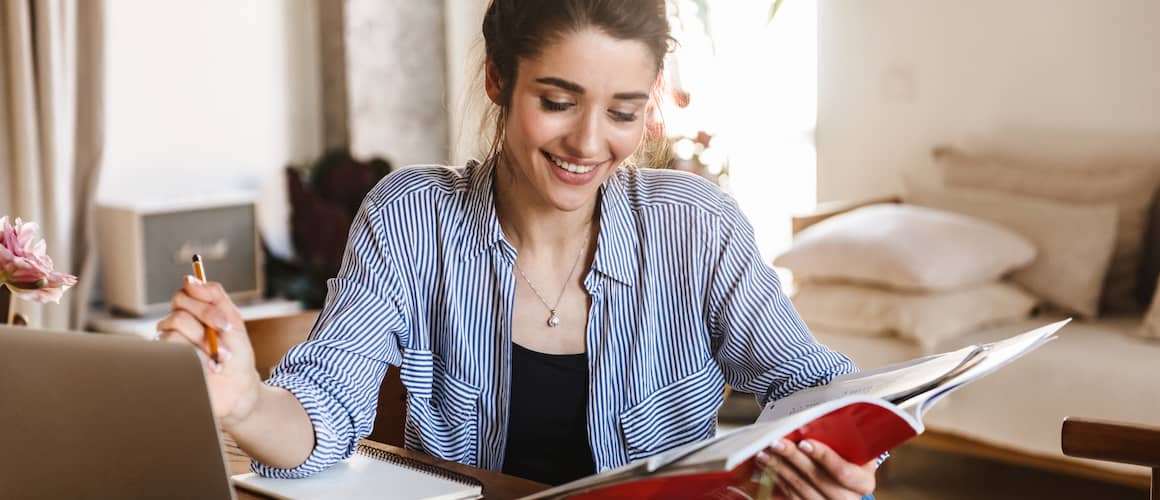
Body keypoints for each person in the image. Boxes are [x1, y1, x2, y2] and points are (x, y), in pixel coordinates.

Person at [158, 0, 879, 497]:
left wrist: (842, 463)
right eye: (558, 102)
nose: (590, 144)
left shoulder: (698, 227)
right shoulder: (412, 218)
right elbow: (323, 418)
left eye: (623, 112)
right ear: (498, 79)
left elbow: (813, 388)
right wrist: (248, 402)